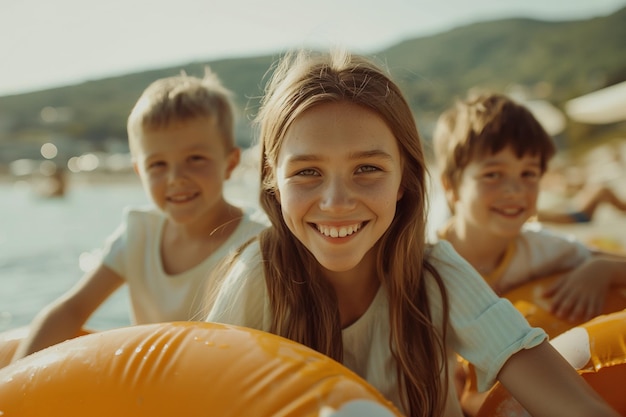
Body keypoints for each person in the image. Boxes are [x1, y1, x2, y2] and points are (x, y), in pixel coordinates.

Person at [204, 50, 620, 417]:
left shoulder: (436, 274)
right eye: (307, 172)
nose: (336, 201)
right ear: (272, 183)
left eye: (367, 168)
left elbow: (566, 398)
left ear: (404, 181)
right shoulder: (258, 276)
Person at [12, 69, 267, 361]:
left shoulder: (256, 243)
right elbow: (72, 310)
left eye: (195, 159)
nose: (176, 178)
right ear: (139, 171)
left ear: (230, 162)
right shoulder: (139, 233)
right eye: (157, 164)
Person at [432, 92, 626, 415]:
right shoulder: (427, 266)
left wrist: (601, 268)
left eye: (529, 174)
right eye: (493, 174)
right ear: (451, 186)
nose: (514, 190)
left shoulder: (539, 247)